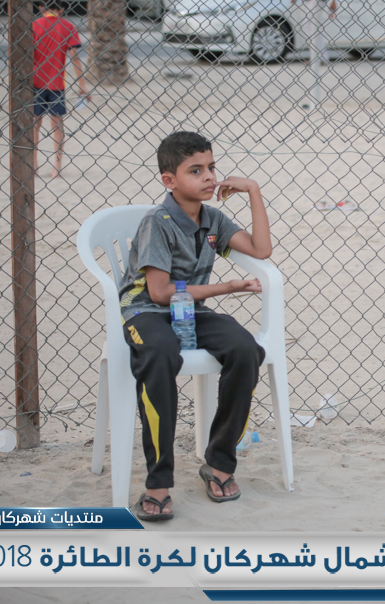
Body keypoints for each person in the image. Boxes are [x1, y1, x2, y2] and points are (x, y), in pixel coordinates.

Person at [116, 131, 271, 520]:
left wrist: (253, 190)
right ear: (169, 180)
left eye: (212, 167)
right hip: (146, 313)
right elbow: (159, 293)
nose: (209, 177)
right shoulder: (158, 222)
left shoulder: (213, 218)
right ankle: (158, 483)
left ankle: (219, 463)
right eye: (196, 170)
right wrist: (227, 287)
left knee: (245, 349)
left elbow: (261, 250)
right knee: (160, 354)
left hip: (192, 312)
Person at [32, 0, 88, 178]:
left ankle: (33, 164)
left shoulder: (33, 26)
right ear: (62, 9)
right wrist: (82, 85)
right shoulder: (67, 26)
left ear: (41, 7)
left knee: (34, 124)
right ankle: (56, 166)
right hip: (56, 84)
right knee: (57, 125)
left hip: (35, 82)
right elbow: (75, 57)